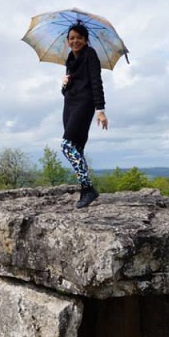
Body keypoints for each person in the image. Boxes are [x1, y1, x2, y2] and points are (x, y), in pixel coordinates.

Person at [60, 22, 108, 208]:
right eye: (71, 38)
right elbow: (66, 92)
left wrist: (100, 110)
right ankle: (85, 190)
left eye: (79, 37)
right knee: (77, 148)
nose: (75, 41)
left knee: (67, 145)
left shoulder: (90, 54)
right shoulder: (69, 59)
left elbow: (96, 82)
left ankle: (88, 189)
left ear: (86, 39)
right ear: (67, 41)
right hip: (69, 104)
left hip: (84, 103)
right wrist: (64, 84)